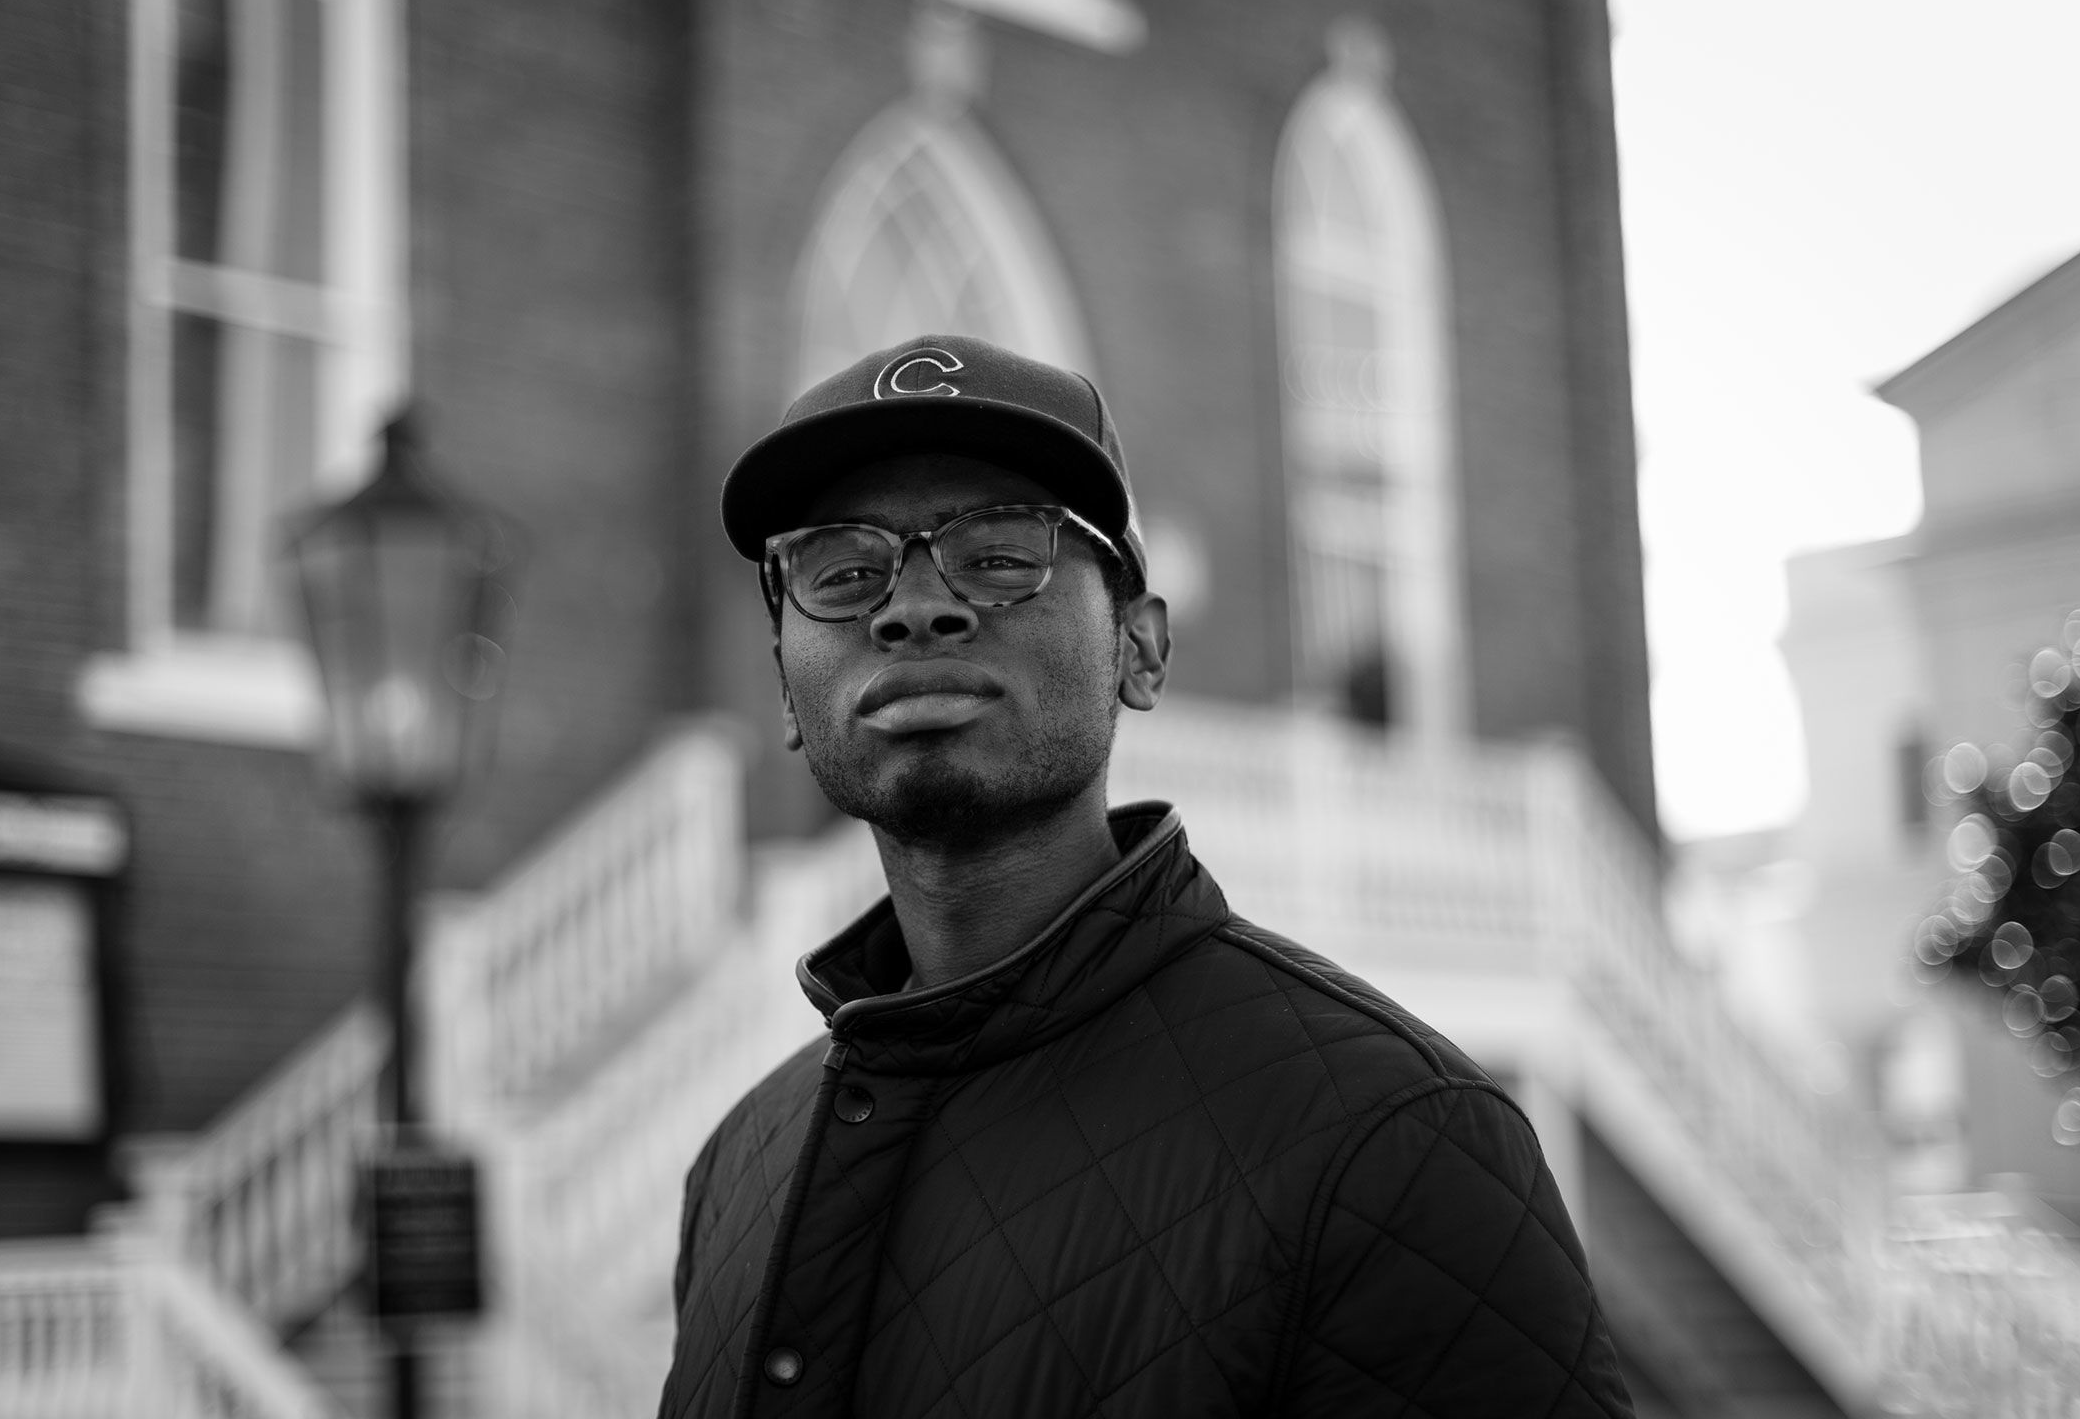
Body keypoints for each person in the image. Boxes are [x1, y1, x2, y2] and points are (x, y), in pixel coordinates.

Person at [658, 334, 1633, 1419]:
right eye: (842, 573)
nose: (914, 605)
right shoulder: (738, 1168)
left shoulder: (1393, 1138)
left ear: (1140, 649)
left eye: (998, 554)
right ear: (788, 695)